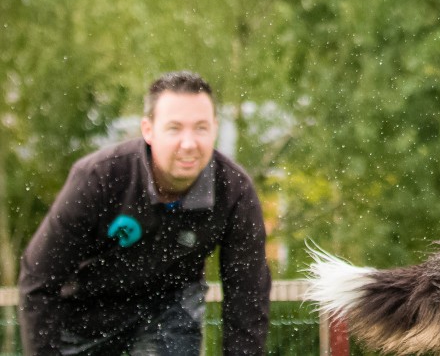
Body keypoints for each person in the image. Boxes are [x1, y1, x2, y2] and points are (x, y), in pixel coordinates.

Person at [19, 71, 271, 355]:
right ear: (148, 130)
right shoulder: (99, 177)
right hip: (84, 313)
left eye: (200, 128)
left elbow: (247, 297)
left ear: (214, 128)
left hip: (169, 313)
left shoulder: (234, 191)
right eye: (175, 128)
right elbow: (38, 277)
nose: (189, 144)